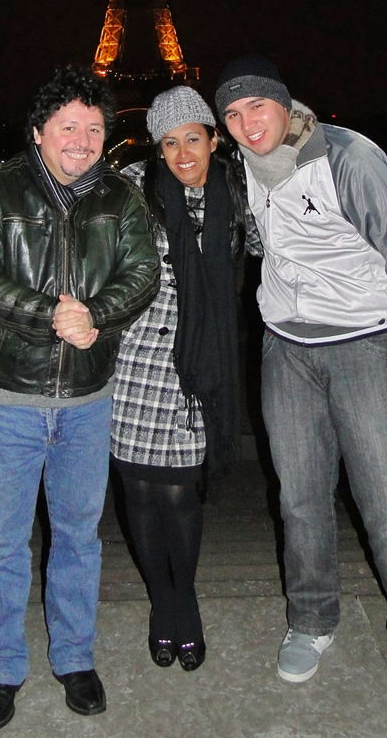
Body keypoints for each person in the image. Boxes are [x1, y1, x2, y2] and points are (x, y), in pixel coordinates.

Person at [215, 55, 387, 718]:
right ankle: (313, 617)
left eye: (255, 107)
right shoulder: (244, 170)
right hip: (286, 348)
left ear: (286, 105)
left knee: (386, 499)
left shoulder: (348, 156)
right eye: (231, 114)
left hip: (365, 345)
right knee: (299, 497)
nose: (244, 123)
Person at [0, 65, 159, 731]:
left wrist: (95, 314)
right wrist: (50, 314)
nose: (81, 138)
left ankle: (74, 656)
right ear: (38, 131)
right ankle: (2, 667)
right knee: (5, 543)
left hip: (88, 400)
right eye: (67, 125)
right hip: (8, 397)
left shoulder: (122, 199)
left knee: (78, 537)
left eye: (93, 127)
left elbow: (144, 273)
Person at [110, 86, 259, 673]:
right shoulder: (131, 192)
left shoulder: (240, 194)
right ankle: (161, 603)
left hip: (200, 363)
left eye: (192, 138)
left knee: (180, 491)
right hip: (136, 360)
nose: (182, 153)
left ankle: (185, 598)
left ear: (213, 139)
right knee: (140, 493)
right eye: (168, 143)